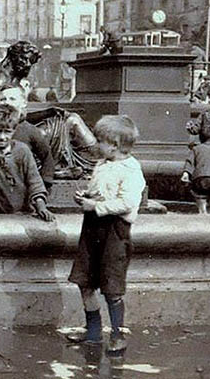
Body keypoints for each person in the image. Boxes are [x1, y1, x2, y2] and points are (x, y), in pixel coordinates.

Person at [67, 115, 146, 355]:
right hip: (92, 228)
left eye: (100, 140)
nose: (96, 145)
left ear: (114, 143)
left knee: (112, 286)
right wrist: (87, 198)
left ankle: (118, 333)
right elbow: (101, 192)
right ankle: (93, 330)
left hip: (114, 231)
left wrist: (97, 207)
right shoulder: (102, 164)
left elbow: (128, 202)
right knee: (85, 280)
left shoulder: (131, 169)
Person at [0, 104, 55, 221]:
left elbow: (34, 179)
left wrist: (41, 206)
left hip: (24, 209)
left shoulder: (22, 150)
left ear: (14, 130)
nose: (2, 137)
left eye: (7, 132)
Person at [0, 86, 56, 188]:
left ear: (23, 103)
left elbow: (47, 157)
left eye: (12, 99)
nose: (6, 102)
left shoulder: (30, 130)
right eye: (2, 99)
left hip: (23, 184)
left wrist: (44, 182)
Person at [180, 126, 210, 214]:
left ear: (200, 138)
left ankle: (202, 210)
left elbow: (189, 163)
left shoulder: (196, 149)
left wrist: (186, 174)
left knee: (200, 197)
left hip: (199, 181)